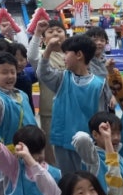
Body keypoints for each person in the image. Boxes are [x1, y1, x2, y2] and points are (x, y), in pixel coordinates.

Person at [36, 34, 112, 175]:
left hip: (87, 144)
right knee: (68, 180)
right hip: (62, 141)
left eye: (66, 53)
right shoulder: (62, 78)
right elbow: (43, 73)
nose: (63, 57)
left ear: (79, 55)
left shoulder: (99, 84)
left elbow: (101, 116)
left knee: (87, 179)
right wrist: (48, 49)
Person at [28, 19, 68, 166]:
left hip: (71, 109)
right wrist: (37, 32)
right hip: (49, 111)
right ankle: (55, 175)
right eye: (50, 32)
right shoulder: (42, 55)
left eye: (59, 31)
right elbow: (31, 56)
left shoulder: (72, 55)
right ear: (44, 39)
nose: (55, 33)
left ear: (66, 36)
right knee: (52, 151)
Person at [0, 50, 37, 146]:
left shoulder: (22, 95)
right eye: (4, 72)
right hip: (11, 152)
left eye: (13, 72)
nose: (10, 76)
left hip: (32, 148)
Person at [71, 111, 123, 193]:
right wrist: (107, 138)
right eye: (111, 133)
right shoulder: (94, 158)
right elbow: (81, 139)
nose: (116, 138)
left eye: (118, 133)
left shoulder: (118, 155)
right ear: (95, 135)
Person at [10, 41, 35, 108]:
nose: (19, 63)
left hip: (28, 110)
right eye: (15, 60)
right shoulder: (7, 78)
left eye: (21, 60)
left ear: (26, 60)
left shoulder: (27, 73)